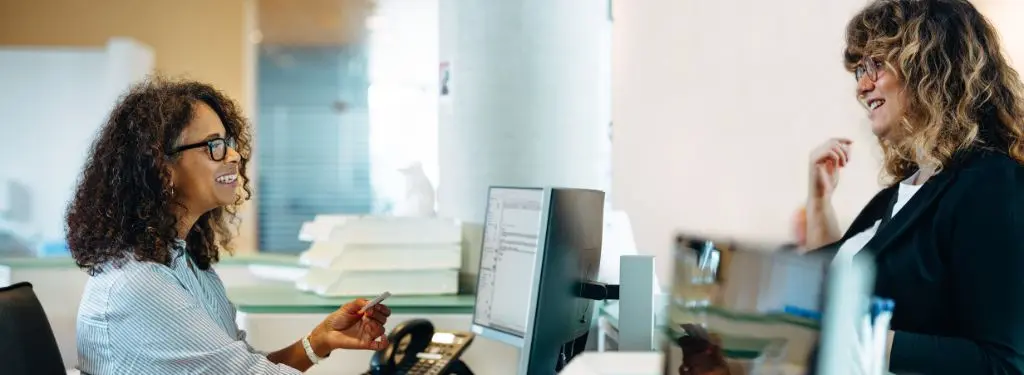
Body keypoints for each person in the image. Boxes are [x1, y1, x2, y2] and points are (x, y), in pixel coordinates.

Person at [66, 76, 391, 374]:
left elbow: (242, 365)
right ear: (162, 169)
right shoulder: (139, 284)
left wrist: (320, 340)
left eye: (228, 142)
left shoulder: (185, 264)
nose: (233, 155)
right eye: (213, 145)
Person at [804, 0, 1024, 373]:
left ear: (932, 65)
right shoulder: (897, 196)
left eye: (876, 64)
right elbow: (828, 289)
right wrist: (819, 200)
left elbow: (1003, 363)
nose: (862, 85)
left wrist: (863, 336)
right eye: (860, 69)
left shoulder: (990, 183)